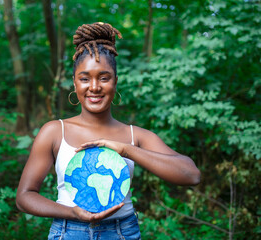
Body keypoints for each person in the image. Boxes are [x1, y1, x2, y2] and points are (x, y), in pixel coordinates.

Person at [16, 22, 201, 239]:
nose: (94, 87)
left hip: (123, 232)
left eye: (104, 77)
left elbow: (191, 175)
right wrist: (72, 213)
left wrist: (126, 150)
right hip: (68, 231)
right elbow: (24, 197)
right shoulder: (55, 131)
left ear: (115, 82)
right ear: (75, 84)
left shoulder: (136, 136)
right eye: (84, 79)